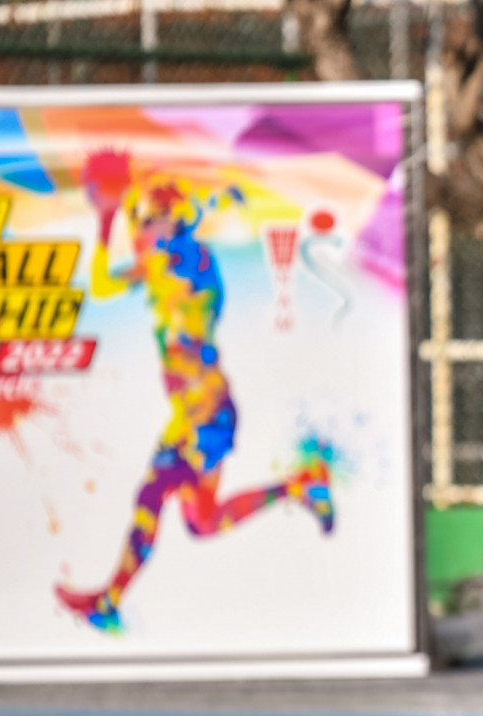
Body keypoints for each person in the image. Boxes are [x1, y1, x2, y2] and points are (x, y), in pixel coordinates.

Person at [55, 151, 334, 633]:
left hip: (203, 413)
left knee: (152, 493)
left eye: (150, 221)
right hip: (203, 411)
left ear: (170, 223)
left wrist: (137, 208)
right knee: (201, 521)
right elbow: (102, 284)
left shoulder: (186, 260)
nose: (140, 231)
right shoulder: (164, 261)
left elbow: (168, 250)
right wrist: (107, 219)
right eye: (141, 222)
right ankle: (300, 485)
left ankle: (110, 600)